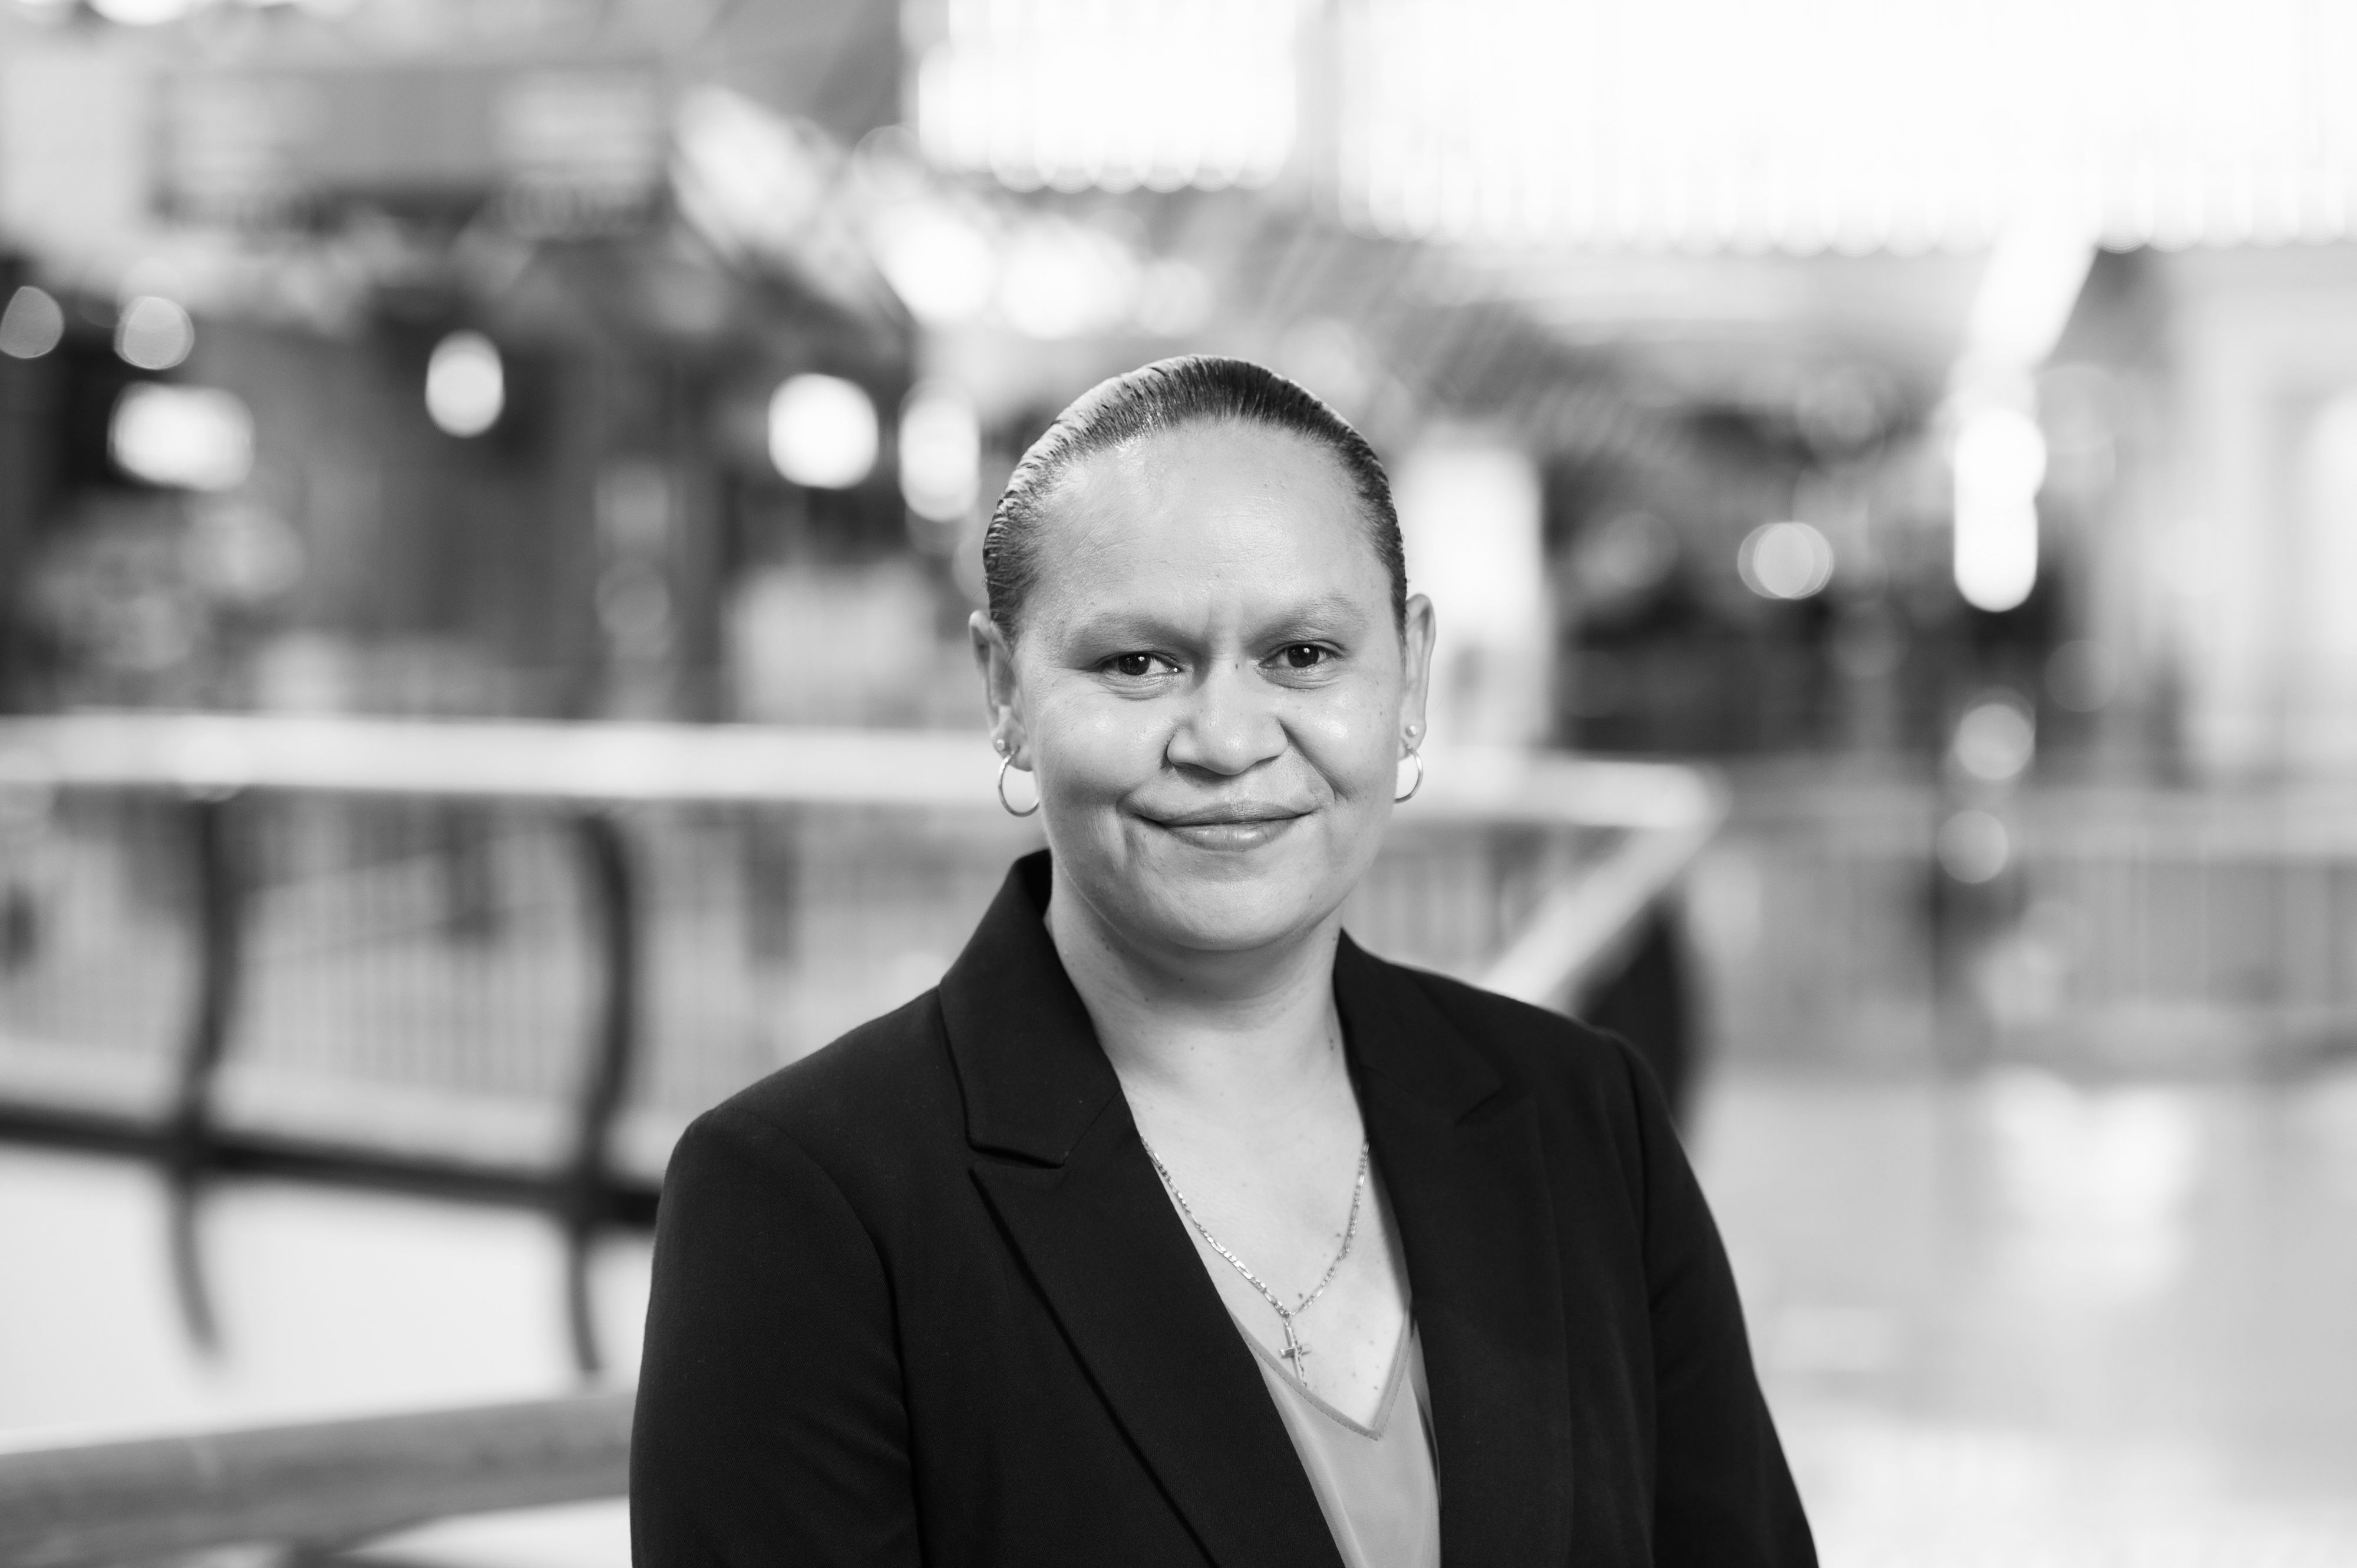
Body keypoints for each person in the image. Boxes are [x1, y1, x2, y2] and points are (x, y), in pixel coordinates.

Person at [631, 356, 1813, 1567]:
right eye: (1137, 662)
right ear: (1003, 690)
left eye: (1302, 653)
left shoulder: (1584, 1120)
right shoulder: (804, 1203)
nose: (1228, 740)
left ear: (1409, 673)